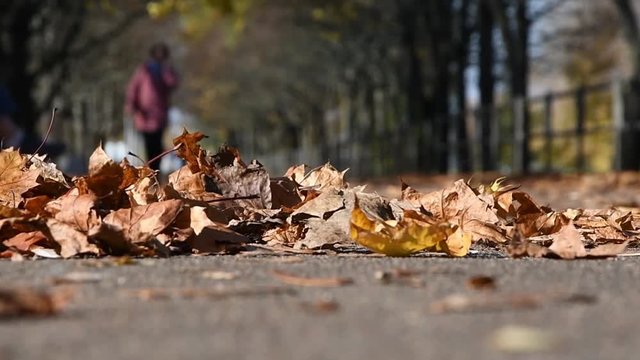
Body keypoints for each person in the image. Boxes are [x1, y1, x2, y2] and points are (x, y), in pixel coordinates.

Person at [125, 42, 179, 171]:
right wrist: (131, 105)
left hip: (159, 116)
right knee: (148, 144)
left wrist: (166, 69)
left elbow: (172, 83)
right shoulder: (143, 70)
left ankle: (155, 171)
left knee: (157, 145)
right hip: (143, 116)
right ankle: (150, 171)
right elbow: (133, 88)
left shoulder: (165, 70)